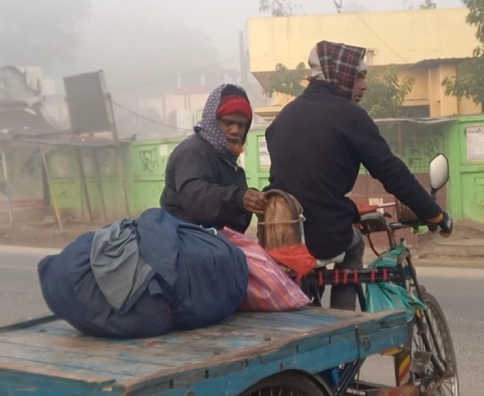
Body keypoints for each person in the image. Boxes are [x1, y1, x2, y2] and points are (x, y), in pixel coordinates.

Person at [264, 40, 453, 311]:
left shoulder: (282, 117)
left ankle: (312, 306)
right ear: (341, 76)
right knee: (353, 245)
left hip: (282, 231)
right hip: (325, 232)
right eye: (359, 77)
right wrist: (436, 215)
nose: (363, 85)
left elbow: (303, 180)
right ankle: (346, 323)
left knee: (317, 259)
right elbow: (392, 172)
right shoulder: (350, 116)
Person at [160, 83, 267, 234]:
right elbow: (195, 197)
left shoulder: (227, 160)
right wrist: (238, 198)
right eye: (228, 123)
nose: (235, 130)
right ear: (213, 122)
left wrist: (252, 201)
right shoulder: (192, 152)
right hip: (185, 242)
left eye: (241, 125)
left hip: (214, 242)